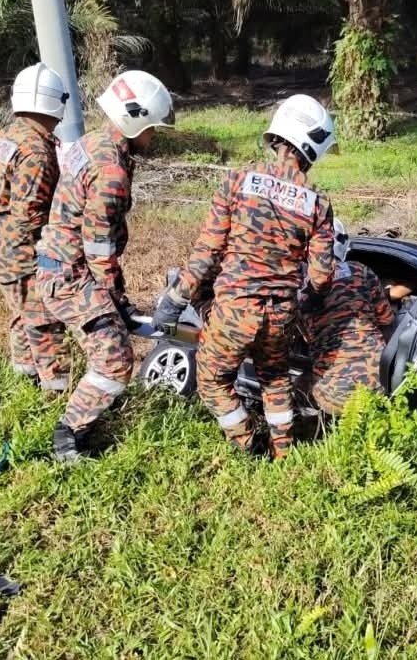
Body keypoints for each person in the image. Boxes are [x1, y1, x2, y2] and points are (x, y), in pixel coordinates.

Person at [153, 95, 337, 460]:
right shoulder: (317, 203)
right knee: (275, 379)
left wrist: (174, 300)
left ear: (277, 136)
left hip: (235, 310)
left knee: (211, 380)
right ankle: (284, 453)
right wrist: (304, 302)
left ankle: (249, 444)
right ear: (312, 148)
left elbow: (207, 253)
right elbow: (321, 274)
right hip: (281, 315)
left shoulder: (238, 181)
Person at [37, 70, 174, 460]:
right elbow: (98, 247)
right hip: (70, 274)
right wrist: (114, 298)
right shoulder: (111, 171)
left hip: (62, 264)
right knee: (116, 358)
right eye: (151, 128)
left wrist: (120, 303)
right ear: (134, 121)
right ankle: (68, 436)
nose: (153, 136)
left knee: (114, 333)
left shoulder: (91, 142)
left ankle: (89, 408)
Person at [0, 62, 70, 394]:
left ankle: (25, 379)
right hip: (24, 251)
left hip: (0, 242)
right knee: (45, 319)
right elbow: (29, 215)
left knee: (23, 314)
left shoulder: (6, 136)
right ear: (55, 102)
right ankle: (56, 391)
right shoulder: (36, 151)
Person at [297, 218, 396, 417]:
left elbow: (307, 339)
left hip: (334, 396)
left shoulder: (299, 288)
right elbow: (387, 320)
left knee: (297, 385)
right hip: (380, 385)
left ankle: (316, 432)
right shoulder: (362, 271)